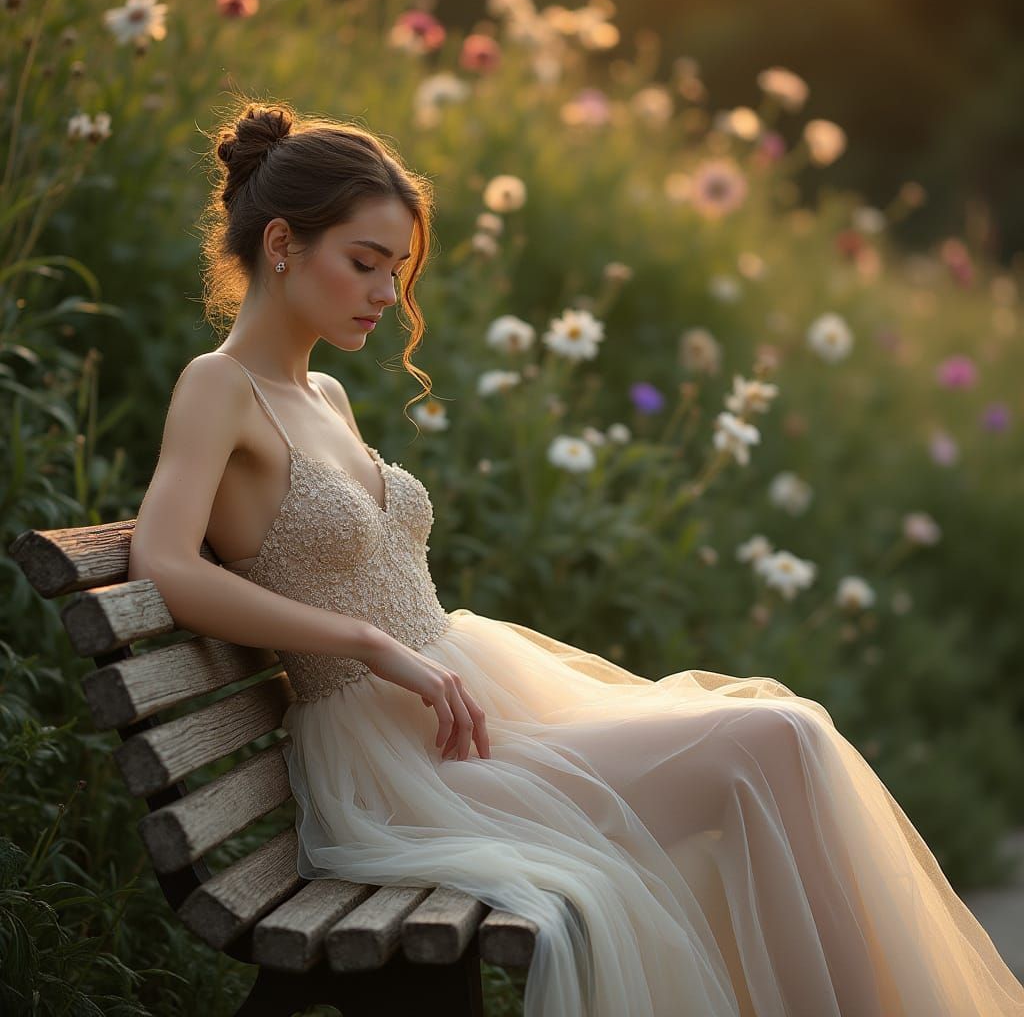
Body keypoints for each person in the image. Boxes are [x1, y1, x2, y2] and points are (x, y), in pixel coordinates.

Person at [128, 99, 1024, 1017]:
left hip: (471, 718)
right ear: (281, 243)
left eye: (396, 271)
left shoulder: (324, 393)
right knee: (774, 741)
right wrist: (365, 641)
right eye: (364, 263)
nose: (388, 295)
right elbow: (165, 564)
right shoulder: (219, 387)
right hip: (402, 772)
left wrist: (399, 647)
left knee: (785, 739)